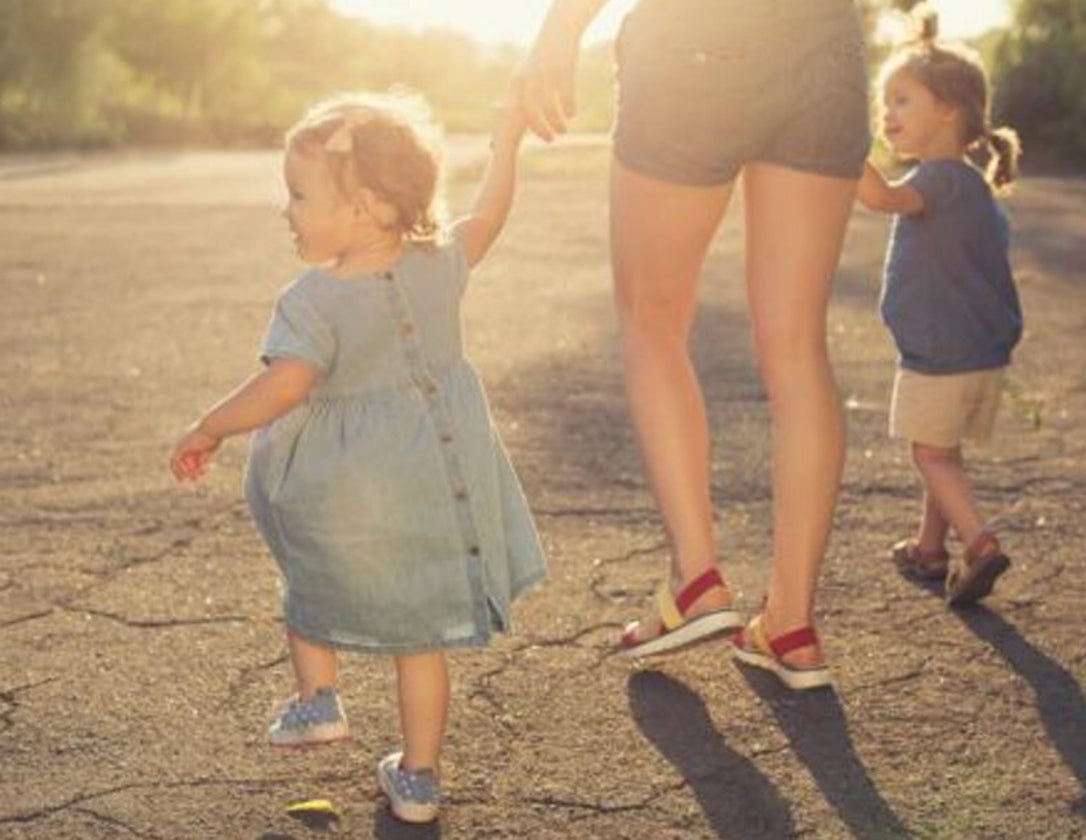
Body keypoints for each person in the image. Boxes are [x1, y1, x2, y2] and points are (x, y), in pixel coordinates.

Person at [168, 89, 545, 824]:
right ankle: (420, 779)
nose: (288, 209)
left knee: (307, 571)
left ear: (367, 207)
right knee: (422, 640)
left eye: (301, 194)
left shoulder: (311, 299)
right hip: (434, 487)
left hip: (345, 493)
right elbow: (490, 214)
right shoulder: (438, 266)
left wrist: (211, 425)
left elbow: (286, 384)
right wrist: (507, 145)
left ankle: (317, 699)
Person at [519, 0, 871, 689]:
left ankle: (697, 578)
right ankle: (791, 623)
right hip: (823, 47)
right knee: (797, 344)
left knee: (652, 316)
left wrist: (561, 29)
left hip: (696, 43)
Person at [855, 9, 1023, 606]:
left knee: (929, 452)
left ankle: (979, 544)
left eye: (901, 100)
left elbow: (884, 198)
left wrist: (843, 149)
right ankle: (930, 549)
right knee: (940, 449)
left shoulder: (941, 178)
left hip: (941, 355)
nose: (887, 114)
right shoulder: (972, 184)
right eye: (885, 103)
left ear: (947, 110)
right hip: (980, 354)